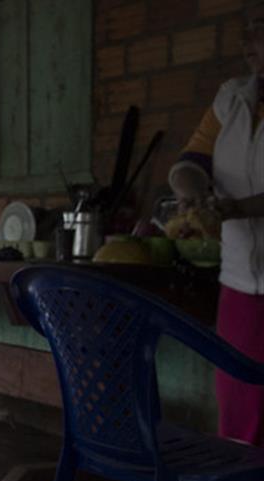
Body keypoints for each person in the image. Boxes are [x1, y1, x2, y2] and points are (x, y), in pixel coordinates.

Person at [168, 0, 264, 449]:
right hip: (242, 279)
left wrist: (235, 209)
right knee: (240, 406)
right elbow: (191, 161)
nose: (248, 42)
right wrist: (193, 191)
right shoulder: (233, 99)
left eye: (260, 29)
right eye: (247, 30)